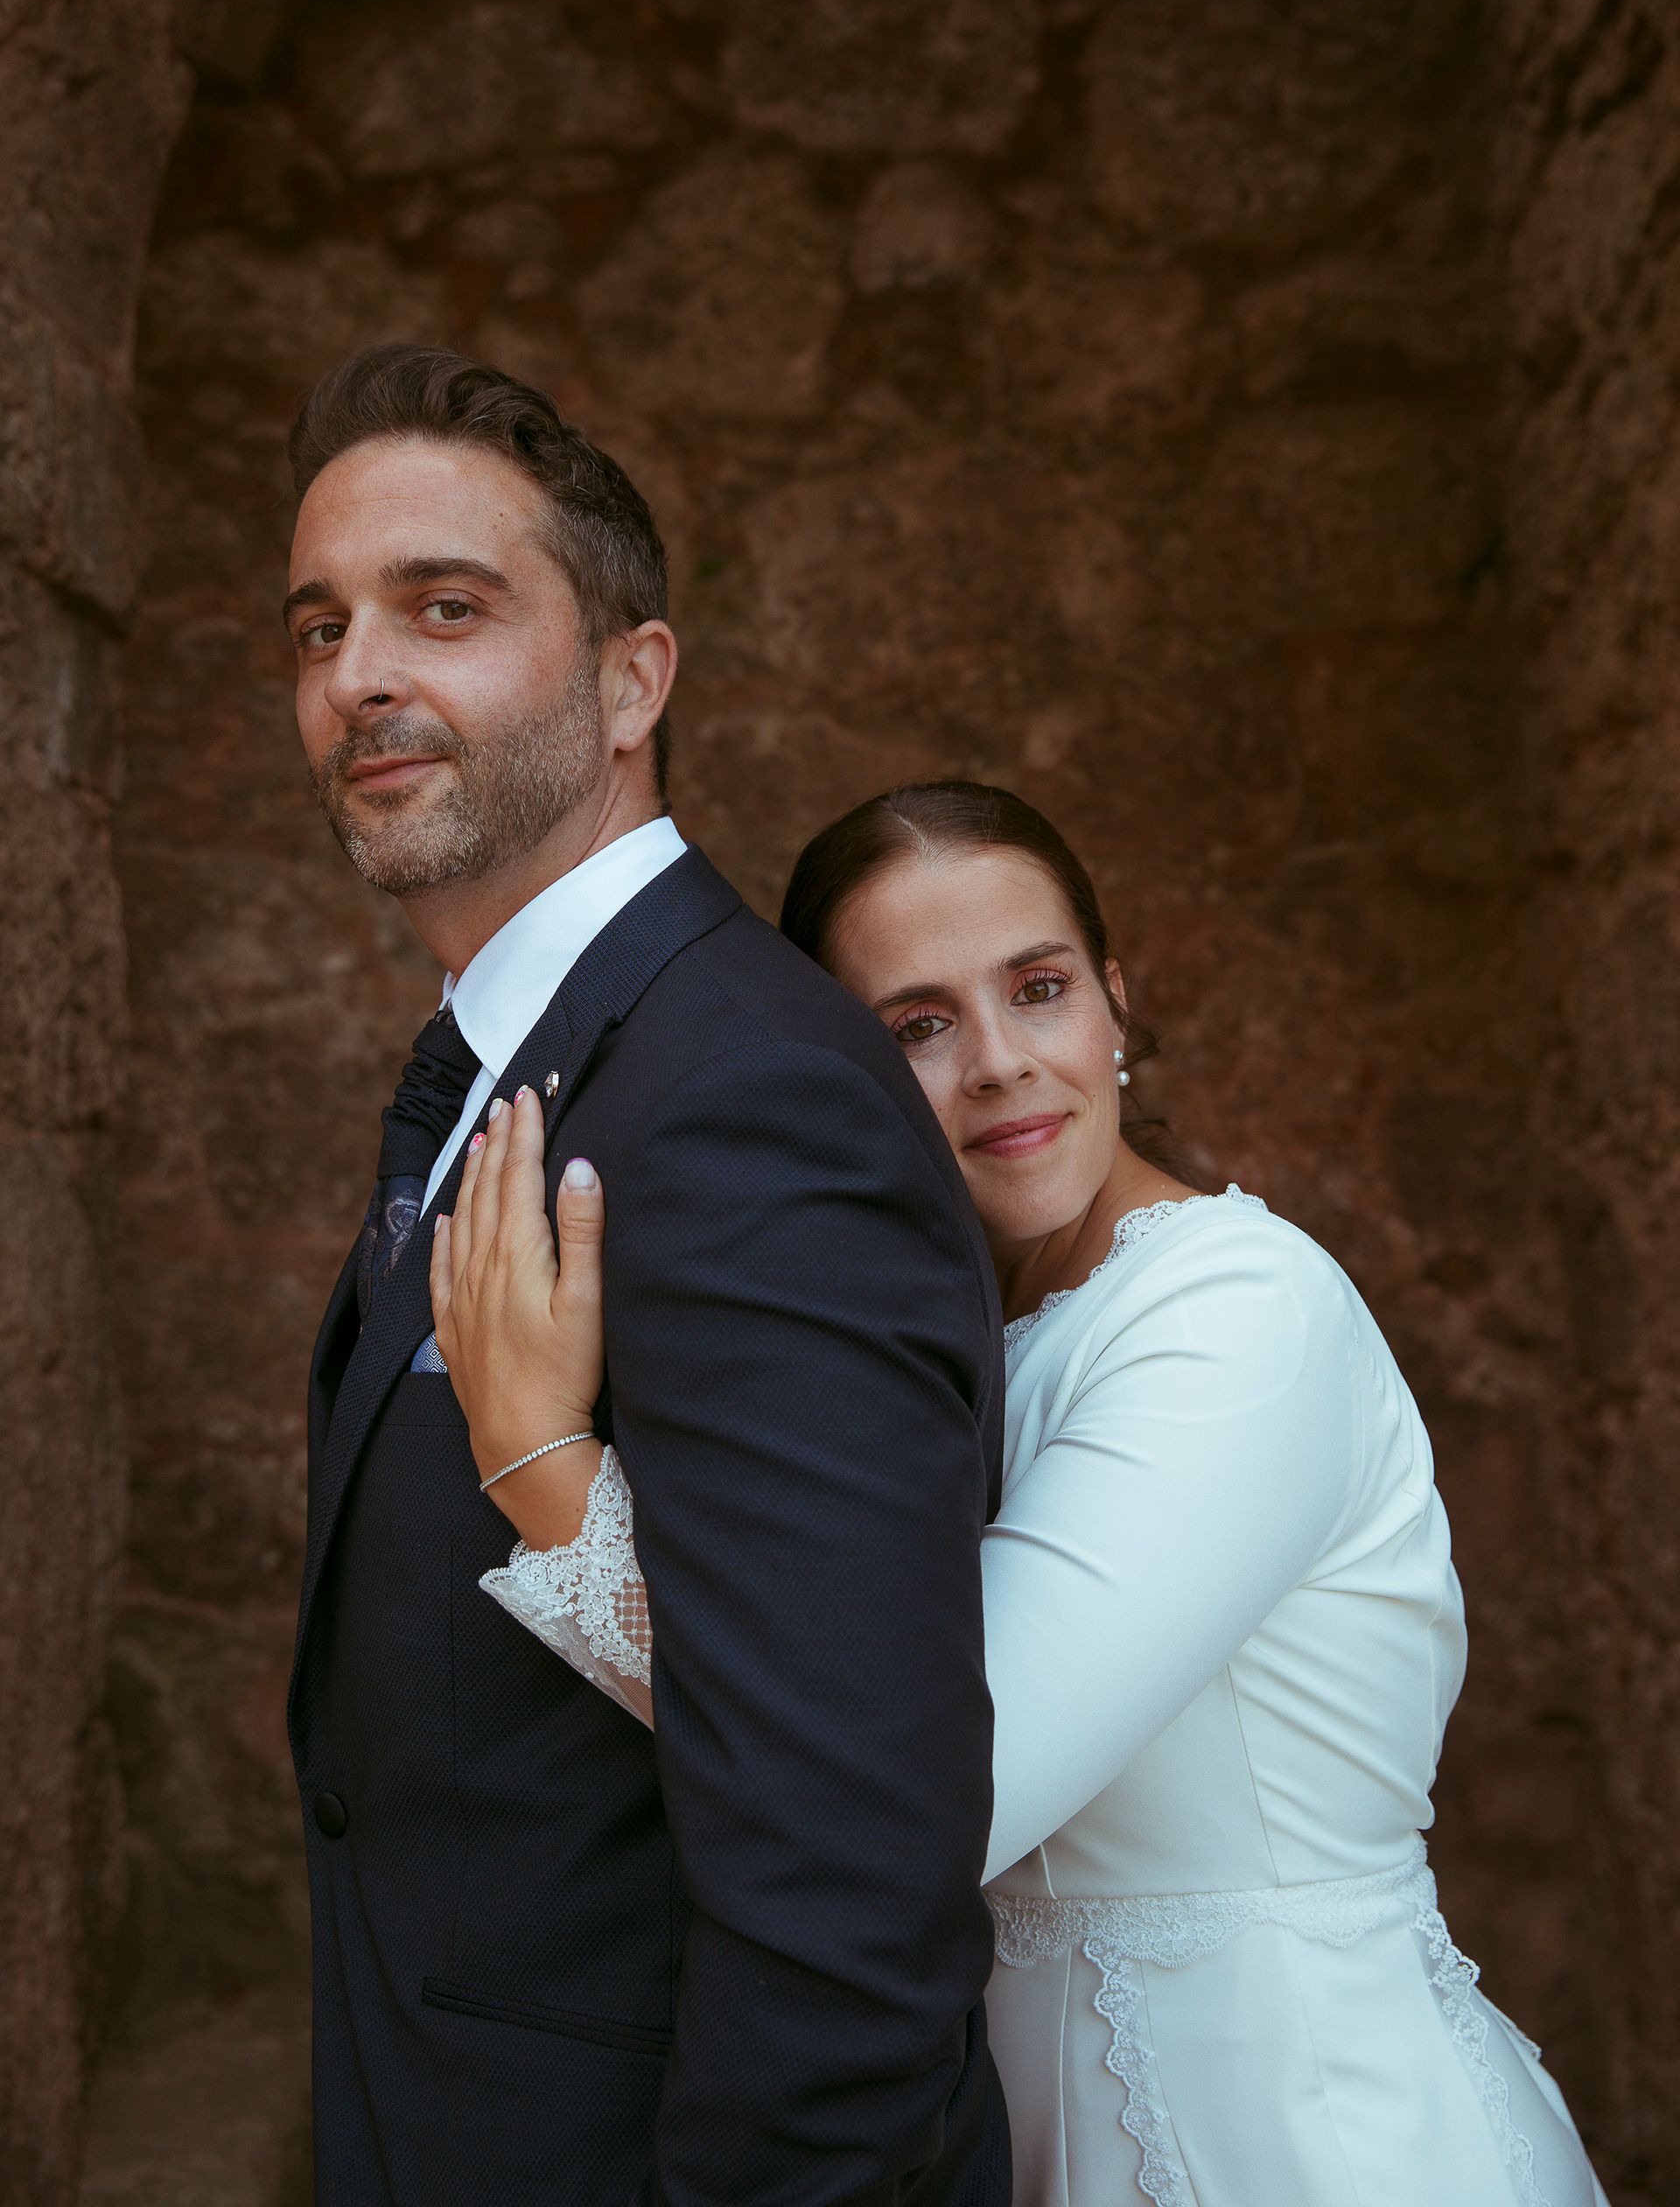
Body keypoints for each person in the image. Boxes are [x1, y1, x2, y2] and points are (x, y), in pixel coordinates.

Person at [438, 781, 1612, 2207]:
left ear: (1116, 1006)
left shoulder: (1240, 1313)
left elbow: (936, 1791)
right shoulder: (954, 1347)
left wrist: (542, 1463)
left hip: (1304, 2140)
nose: (997, 1062)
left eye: (1039, 990)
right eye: (916, 1027)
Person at [283, 344, 1012, 2206]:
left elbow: (846, 1874)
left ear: (633, 681)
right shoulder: (507, 1063)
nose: (360, 674)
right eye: (319, 627)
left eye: (444, 609)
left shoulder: (749, 1095)